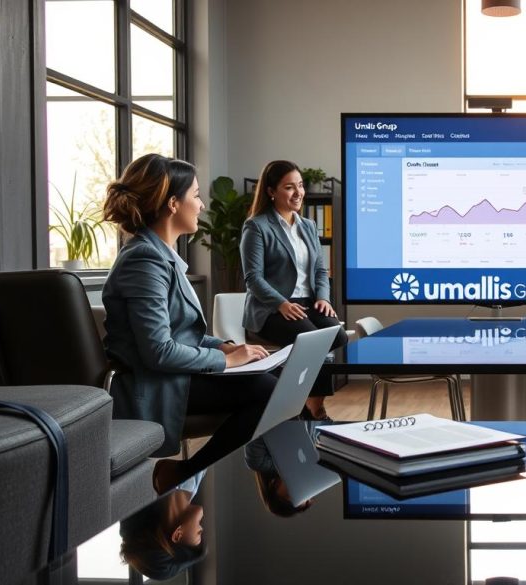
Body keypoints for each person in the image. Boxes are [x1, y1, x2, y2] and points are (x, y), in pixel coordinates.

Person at [102, 153, 274, 491]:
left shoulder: (160, 256)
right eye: (195, 195)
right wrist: (225, 361)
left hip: (173, 375)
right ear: (172, 204)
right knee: (267, 390)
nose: (202, 205)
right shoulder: (144, 260)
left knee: (275, 380)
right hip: (155, 383)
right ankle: (185, 472)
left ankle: (194, 474)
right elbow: (158, 350)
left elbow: (182, 334)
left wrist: (225, 347)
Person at [240, 160, 348, 420]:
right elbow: (253, 278)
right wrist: (281, 304)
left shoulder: (308, 226)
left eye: (300, 185)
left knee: (337, 335)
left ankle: (311, 402)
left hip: (307, 303)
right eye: (289, 187)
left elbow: (320, 270)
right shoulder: (257, 226)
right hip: (271, 309)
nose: (298, 192)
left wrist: (323, 298)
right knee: (311, 339)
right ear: (271, 191)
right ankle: (307, 408)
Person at [119, 472, 208, 580]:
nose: (202, 529)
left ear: (178, 535)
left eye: (199, 533)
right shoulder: (195, 482)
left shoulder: (154, 477)